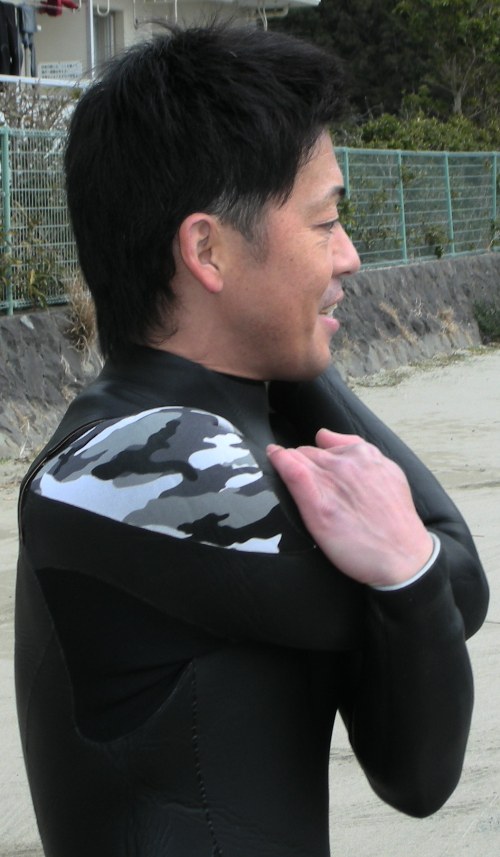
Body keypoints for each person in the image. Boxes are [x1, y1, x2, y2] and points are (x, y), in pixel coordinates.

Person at [15, 22, 488, 857]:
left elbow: (416, 772)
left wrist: (282, 353)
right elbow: (451, 579)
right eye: (325, 222)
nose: (350, 256)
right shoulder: (132, 461)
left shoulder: (242, 421)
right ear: (207, 248)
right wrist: (405, 568)